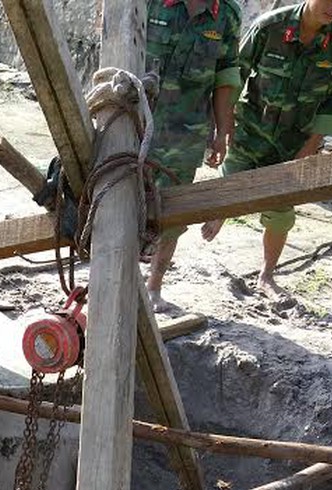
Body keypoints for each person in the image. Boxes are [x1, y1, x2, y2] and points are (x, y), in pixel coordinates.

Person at [201, 0, 332, 298]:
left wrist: (311, 145)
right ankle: (221, 214)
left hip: (293, 143)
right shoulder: (269, 27)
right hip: (250, 132)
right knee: (227, 190)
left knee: (281, 211)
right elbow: (236, 74)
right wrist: (224, 125)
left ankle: (267, 274)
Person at [144, 0, 242, 312]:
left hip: (187, 132)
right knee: (122, 197)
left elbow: (226, 75)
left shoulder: (227, 14)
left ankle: (154, 285)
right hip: (135, 120)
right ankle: (115, 276)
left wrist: (223, 129)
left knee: (173, 211)